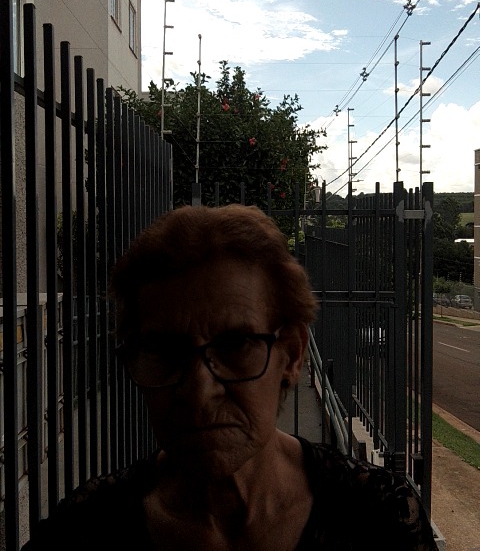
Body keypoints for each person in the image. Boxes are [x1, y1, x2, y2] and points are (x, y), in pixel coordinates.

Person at [22, 204, 439, 550]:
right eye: (164, 351)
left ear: (292, 355)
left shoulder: (379, 520)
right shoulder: (83, 531)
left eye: (236, 345)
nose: (198, 391)